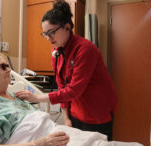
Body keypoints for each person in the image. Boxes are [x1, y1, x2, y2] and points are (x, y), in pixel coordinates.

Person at [15, 0, 118, 141]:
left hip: (96, 113)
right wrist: (66, 117)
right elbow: (61, 85)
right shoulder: (56, 52)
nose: (48, 38)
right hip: (75, 112)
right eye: (45, 34)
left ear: (67, 27)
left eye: (51, 32)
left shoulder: (85, 49)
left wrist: (38, 98)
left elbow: (74, 89)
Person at [0, 49, 70, 146]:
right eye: (3, 67)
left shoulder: (13, 96)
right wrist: (38, 143)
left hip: (57, 134)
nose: (9, 70)